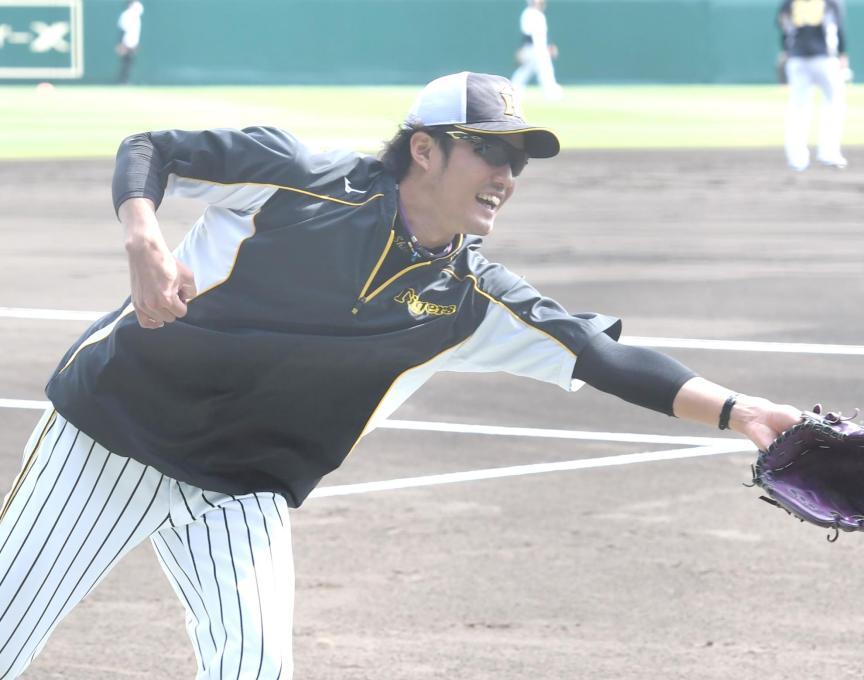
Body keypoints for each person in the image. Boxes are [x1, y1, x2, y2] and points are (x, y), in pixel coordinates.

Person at [0, 72, 802, 678]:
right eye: (490, 150)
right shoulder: (301, 181)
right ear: (425, 148)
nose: (507, 175)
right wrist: (143, 235)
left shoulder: (470, 298)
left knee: (253, 665)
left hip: (241, 489)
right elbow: (153, 148)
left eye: (518, 161)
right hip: (111, 443)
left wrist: (740, 411)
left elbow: (603, 356)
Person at [777, 0, 849, 171]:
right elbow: (837, 28)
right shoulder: (831, 2)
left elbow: (783, 28)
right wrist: (842, 53)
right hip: (824, 58)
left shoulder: (789, 2)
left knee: (798, 108)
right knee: (833, 103)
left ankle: (797, 159)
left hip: (797, 58)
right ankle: (829, 153)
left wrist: (786, 50)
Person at [510, 0, 563, 100]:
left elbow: (542, 35)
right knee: (545, 70)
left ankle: (513, 90)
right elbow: (527, 34)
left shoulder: (539, 14)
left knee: (527, 70)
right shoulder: (529, 13)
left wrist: (548, 45)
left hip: (538, 48)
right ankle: (551, 93)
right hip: (533, 48)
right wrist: (522, 49)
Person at [115, 0, 144, 84]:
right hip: (126, 42)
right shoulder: (126, 15)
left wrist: (136, 43)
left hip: (133, 42)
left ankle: (126, 80)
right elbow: (123, 30)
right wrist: (121, 43)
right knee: (125, 62)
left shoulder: (136, 15)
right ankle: (123, 80)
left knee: (130, 62)